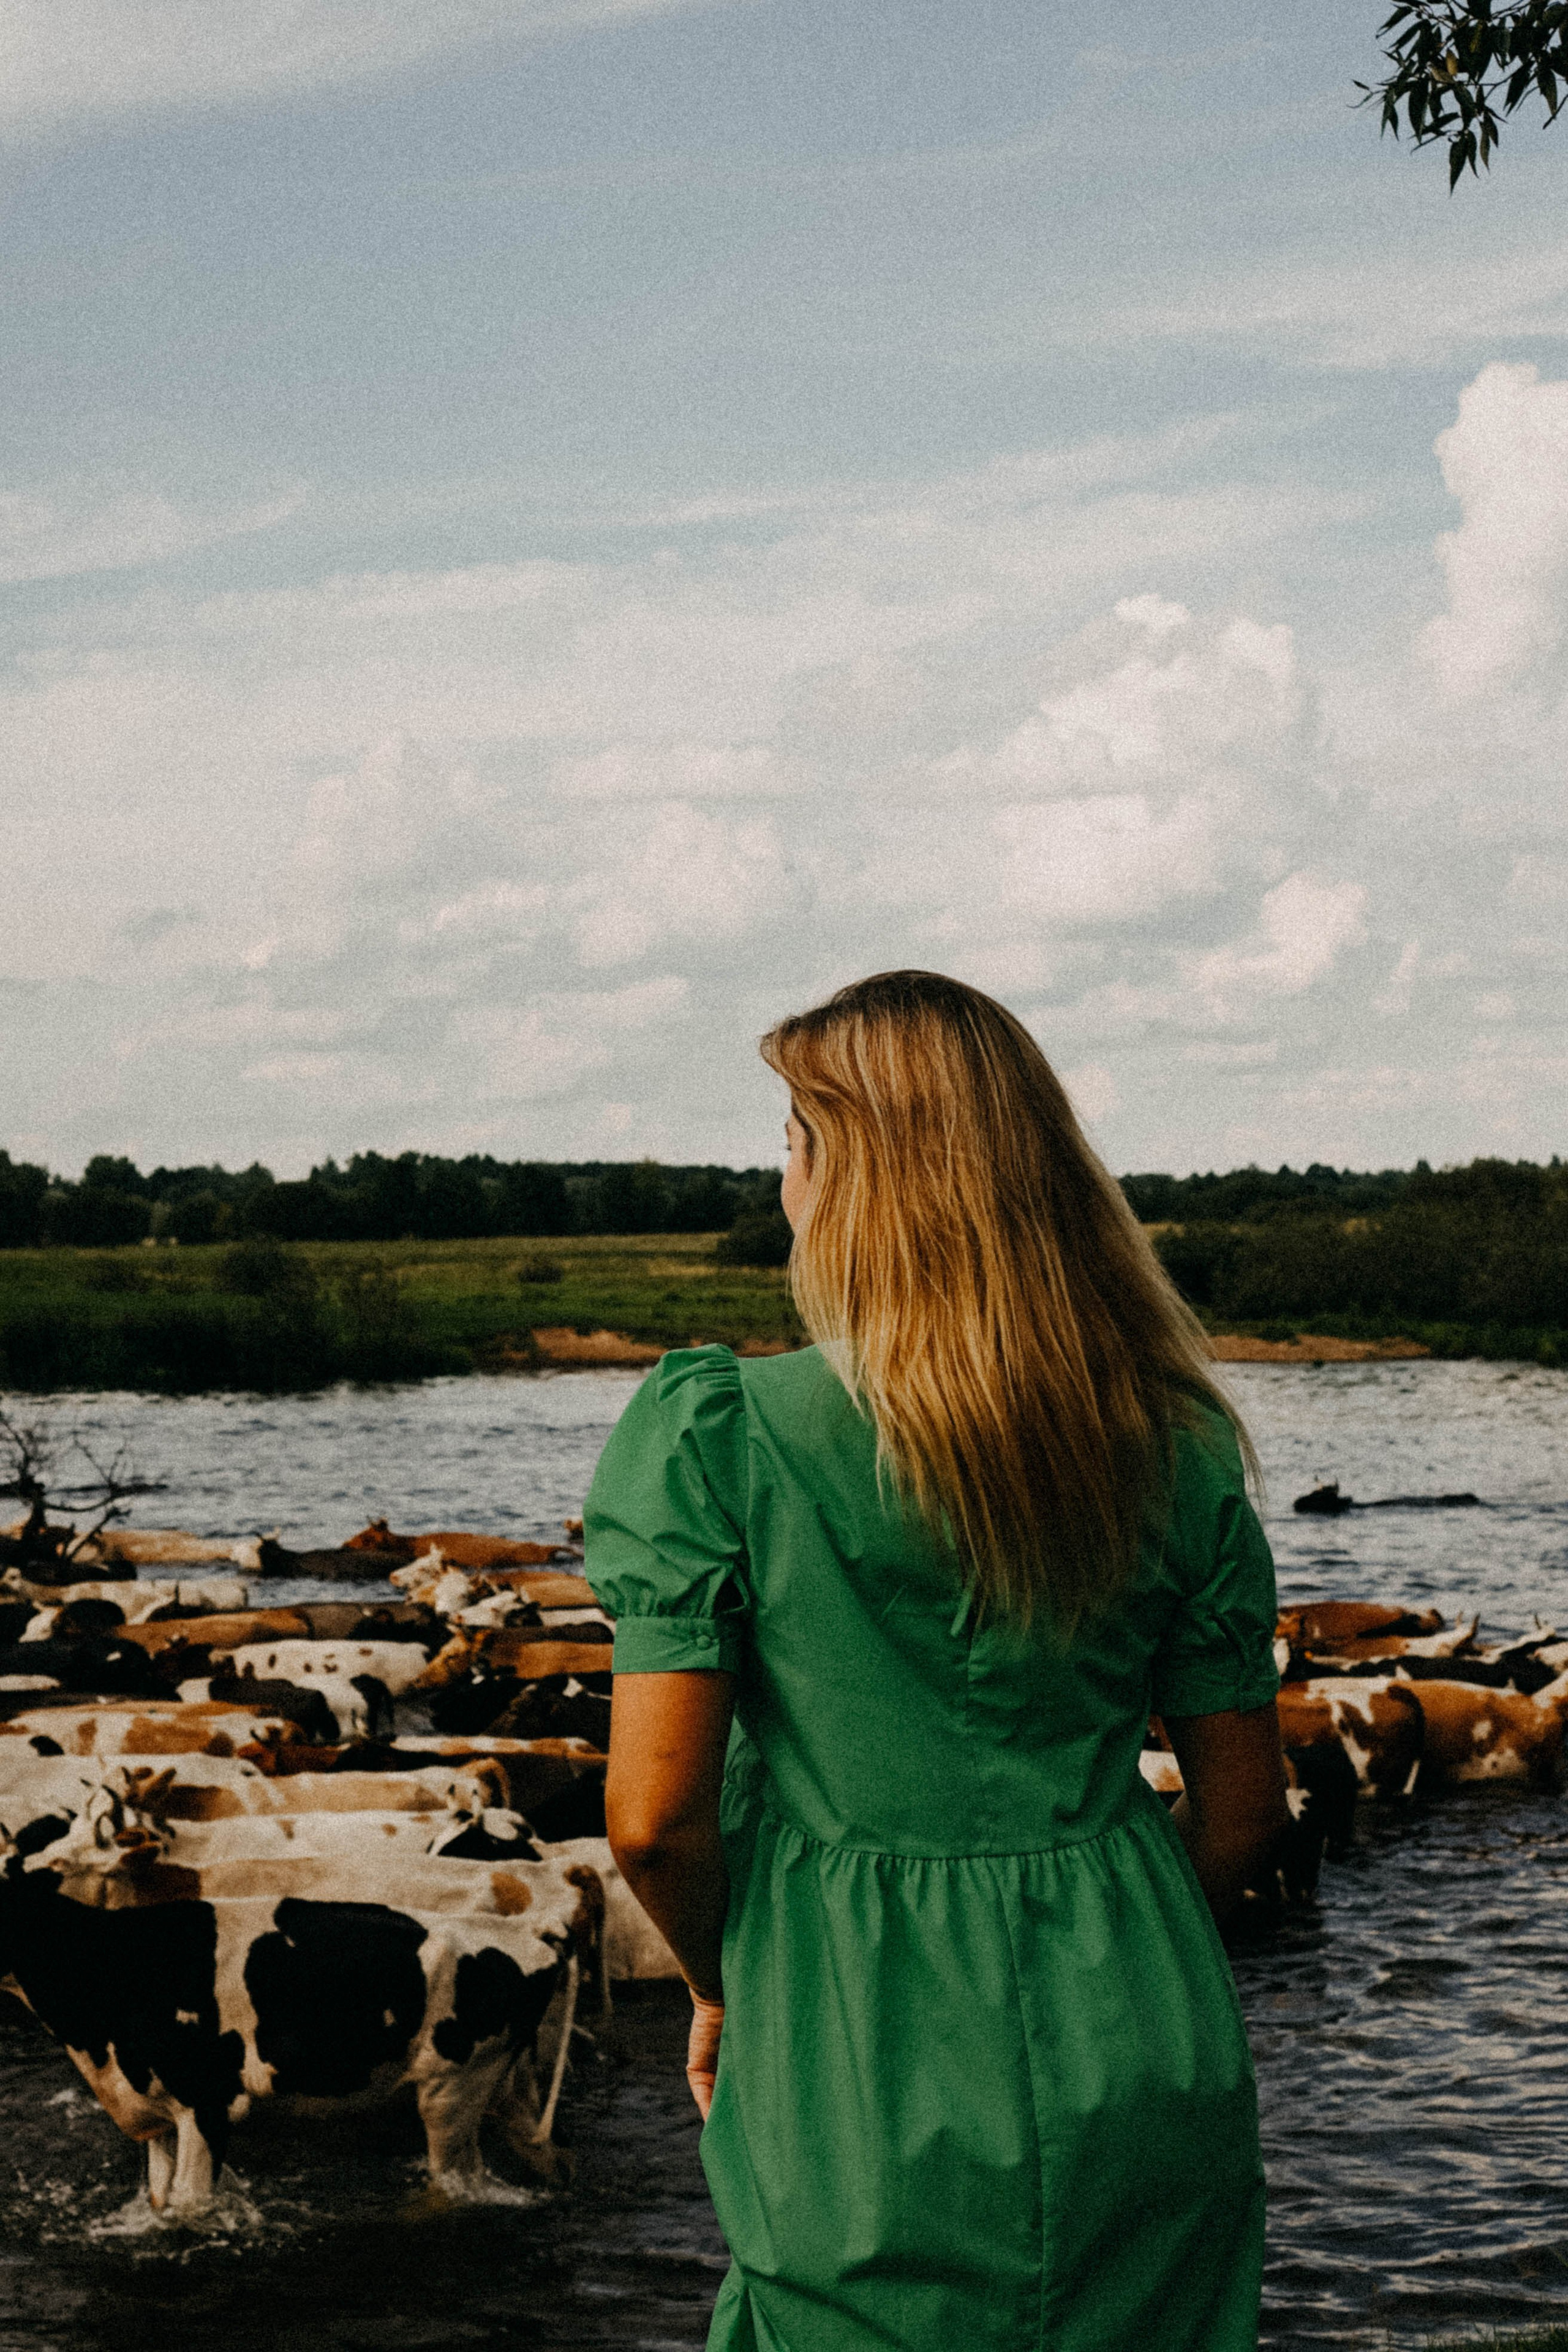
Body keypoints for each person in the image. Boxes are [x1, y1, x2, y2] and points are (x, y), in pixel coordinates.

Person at [583, 970, 1287, 2352]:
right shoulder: (1179, 1446)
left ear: (849, 1179)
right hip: (1142, 2023)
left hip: (852, 2043)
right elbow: (1247, 1820)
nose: (780, 1176)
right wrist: (1109, 1938)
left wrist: (727, 1987)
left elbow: (649, 1820)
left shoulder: (716, 1433)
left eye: (790, 1142)